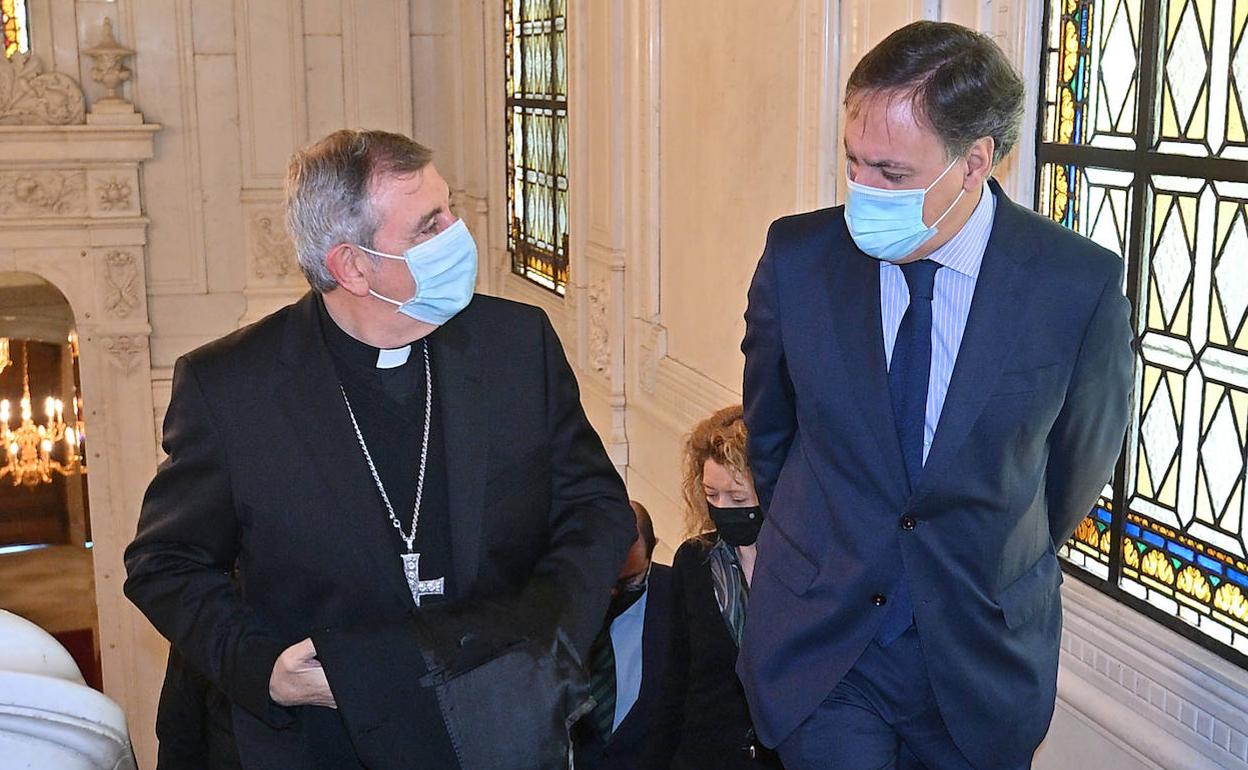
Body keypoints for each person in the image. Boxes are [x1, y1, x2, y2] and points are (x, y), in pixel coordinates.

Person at [124, 128, 636, 769]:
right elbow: (163, 562)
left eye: (449, 209)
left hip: (499, 722)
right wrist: (264, 670)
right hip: (324, 743)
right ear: (352, 266)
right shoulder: (232, 387)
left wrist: (546, 636)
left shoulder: (516, 343)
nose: (456, 232)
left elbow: (596, 506)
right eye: (428, 226)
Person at [739, 21, 1134, 770]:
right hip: (828, 645)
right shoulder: (798, 259)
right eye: (852, 164)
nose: (862, 193)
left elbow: (1073, 475)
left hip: (978, 657)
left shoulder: (1073, 286)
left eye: (890, 173)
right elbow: (771, 432)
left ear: (973, 164)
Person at [646, 405, 783, 769]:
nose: (723, 508)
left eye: (739, 499)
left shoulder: (806, 565)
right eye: (712, 495)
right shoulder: (694, 560)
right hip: (705, 755)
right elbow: (676, 675)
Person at [572, 500, 672, 770]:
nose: (613, 593)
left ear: (652, 553)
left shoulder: (678, 596)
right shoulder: (565, 600)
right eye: (605, 580)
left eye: (628, 582)